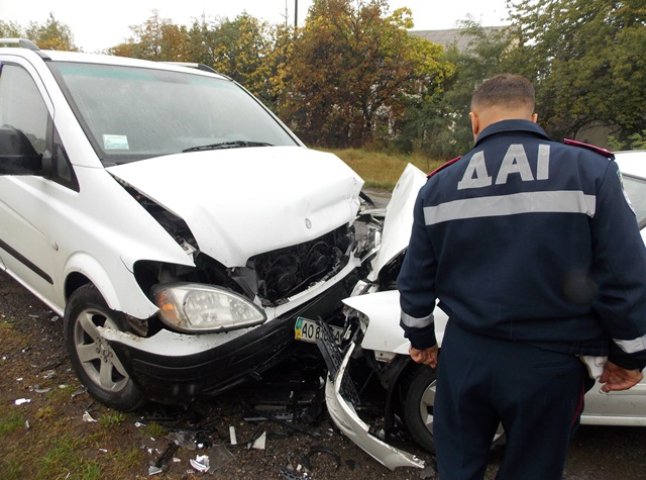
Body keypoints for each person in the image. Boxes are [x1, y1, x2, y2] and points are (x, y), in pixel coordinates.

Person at [397, 73, 646, 480]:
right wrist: (629, 356)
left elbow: (416, 279)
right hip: (549, 364)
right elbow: (625, 275)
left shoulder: (440, 185)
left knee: (456, 470)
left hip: (466, 357)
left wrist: (421, 340)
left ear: (474, 121)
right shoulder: (591, 171)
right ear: (534, 116)